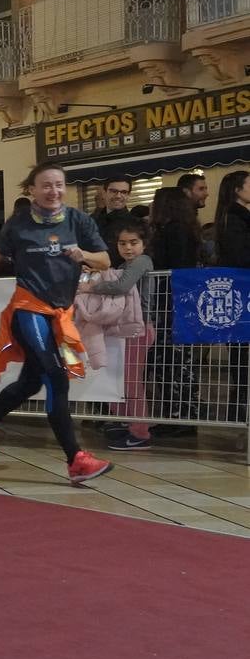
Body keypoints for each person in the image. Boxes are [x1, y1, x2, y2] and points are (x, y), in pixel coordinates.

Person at [0, 163, 114, 485]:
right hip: (28, 310)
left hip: (61, 316)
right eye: (46, 185)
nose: (54, 191)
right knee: (57, 379)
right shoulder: (18, 224)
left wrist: (82, 254)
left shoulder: (79, 220)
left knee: (31, 382)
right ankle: (76, 460)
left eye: (59, 184)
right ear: (31, 189)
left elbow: (105, 260)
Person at [76, 219, 154, 451]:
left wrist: (91, 287)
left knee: (131, 383)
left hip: (138, 329)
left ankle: (141, 431)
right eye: (122, 243)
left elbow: (121, 286)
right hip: (123, 329)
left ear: (144, 244)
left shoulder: (141, 262)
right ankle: (131, 423)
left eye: (133, 242)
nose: (128, 248)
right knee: (118, 380)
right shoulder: (124, 264)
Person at [147, 187, 202, 431]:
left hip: (172, 305)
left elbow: (173, 267)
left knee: (171, 362)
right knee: (179, 362)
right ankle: (182, 415)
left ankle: (178, 416)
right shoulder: (187, 229)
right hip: (182, 305)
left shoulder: (172, 231)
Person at [214, 170, 250, 423]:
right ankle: (240, 411)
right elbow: (240, 255)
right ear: (237, 189)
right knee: (242, 357)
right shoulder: (234, 220)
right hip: (241, 291)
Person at [91, 176, 133, 266]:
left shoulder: (136, 224)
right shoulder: (90, 221)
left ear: (128, 196)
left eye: (124, 192)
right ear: (104, 193)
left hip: (122, 276)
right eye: (113, 191)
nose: (118, 196)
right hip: (91, 275)